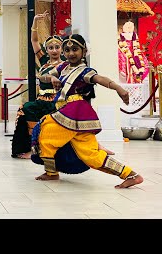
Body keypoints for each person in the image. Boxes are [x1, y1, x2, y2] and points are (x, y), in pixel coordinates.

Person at [31, 34, 143, 189]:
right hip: (68, 113)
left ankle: (52, 173)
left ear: (83, 52)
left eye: (75, 49)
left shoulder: (85, 71)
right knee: (89, 154)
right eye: (67, 50)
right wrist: (51, 78)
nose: (71, 53)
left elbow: (100, 79)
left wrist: (118, 88)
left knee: (45, 132)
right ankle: (131, 175)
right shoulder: (63, 68)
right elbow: (42, 76)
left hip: (74, 111)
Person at [11, 11, 66, 159]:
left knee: (34, 113)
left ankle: (38, 148)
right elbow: (34, 41)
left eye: (57, 47)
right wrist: (35, 21)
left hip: (55, 102)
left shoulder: (65, 65)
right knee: (24, 111)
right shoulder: (43, 61)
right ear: (46, 50)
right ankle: (28, 147)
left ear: (61, 49)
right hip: (41, 99)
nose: (54, 50)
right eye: (51, 47)